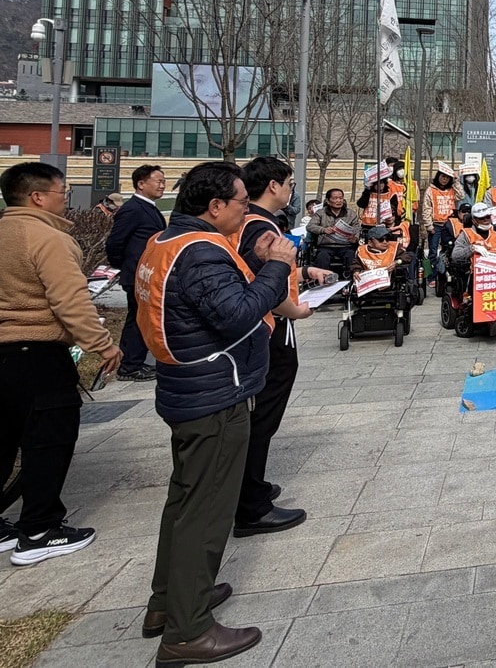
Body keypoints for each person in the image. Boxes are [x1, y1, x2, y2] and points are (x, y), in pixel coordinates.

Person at [137, 161, 297, 666]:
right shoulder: (202, 252)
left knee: (184, 501)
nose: (245, 210)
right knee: (206, 512)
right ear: (214, 207)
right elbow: (238, 314)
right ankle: (189, 631)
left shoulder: (166, 242)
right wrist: (278, 267)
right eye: (239, 202)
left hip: (187, 389)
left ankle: (170, 602)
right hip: (213, 394)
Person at [0, 162, 121, 566]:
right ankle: (39, 529)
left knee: (4, 440)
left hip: (4, 355)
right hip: (37, 353)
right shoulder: (47, 238)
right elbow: (71, 301)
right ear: (37, 197)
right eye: (61, 193)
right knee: (48, 440)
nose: (65, 200)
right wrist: (103, 346)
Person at [232, 157, 332, 540]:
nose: (292, 189)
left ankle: (251, 486)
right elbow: (266, 283)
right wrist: (296, 309)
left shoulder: (247, 222)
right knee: (262, 416)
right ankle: (251, 506)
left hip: (259, 326)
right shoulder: (260, 226)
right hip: (270, 329)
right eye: (289, 182)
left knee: (257, 416)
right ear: (272, 186)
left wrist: (304, 273)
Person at [105, 163, 168, 381]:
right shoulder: (132, 209)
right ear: (141, 184)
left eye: (163, 181)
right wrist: (124, 266)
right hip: (136, 275)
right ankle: (130, 366)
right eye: (158, 181)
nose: (162, 185)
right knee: (138, 320)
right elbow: (115, 243)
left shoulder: (148, 207)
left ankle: (135, 362)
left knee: (142, 319)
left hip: (146, 273)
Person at [422, 162, 464, 268]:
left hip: (450, 225)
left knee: (449, 249)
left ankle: (445, 273)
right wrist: (429, 225)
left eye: (447, 178)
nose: (445, 179)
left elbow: (461, 195)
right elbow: (426, 208)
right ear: (438, 176)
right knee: (432, 251)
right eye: (443, 177)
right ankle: (430, 277)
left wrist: (456, 181)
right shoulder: (430, 190)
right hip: (435, 225)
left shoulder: (452, 190)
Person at [308, 188, 359, 272]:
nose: (338, 201)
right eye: (335, 198)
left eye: (341, 198)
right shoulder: (320, 213)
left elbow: (357, 228)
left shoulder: (351, 213)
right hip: (326, 246)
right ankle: (322, 280)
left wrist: (355, 238)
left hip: (346, 246)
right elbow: (310, 226)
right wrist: (323, 230)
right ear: (328, 201)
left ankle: (351, 279)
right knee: (322, 257)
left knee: (351, 256)